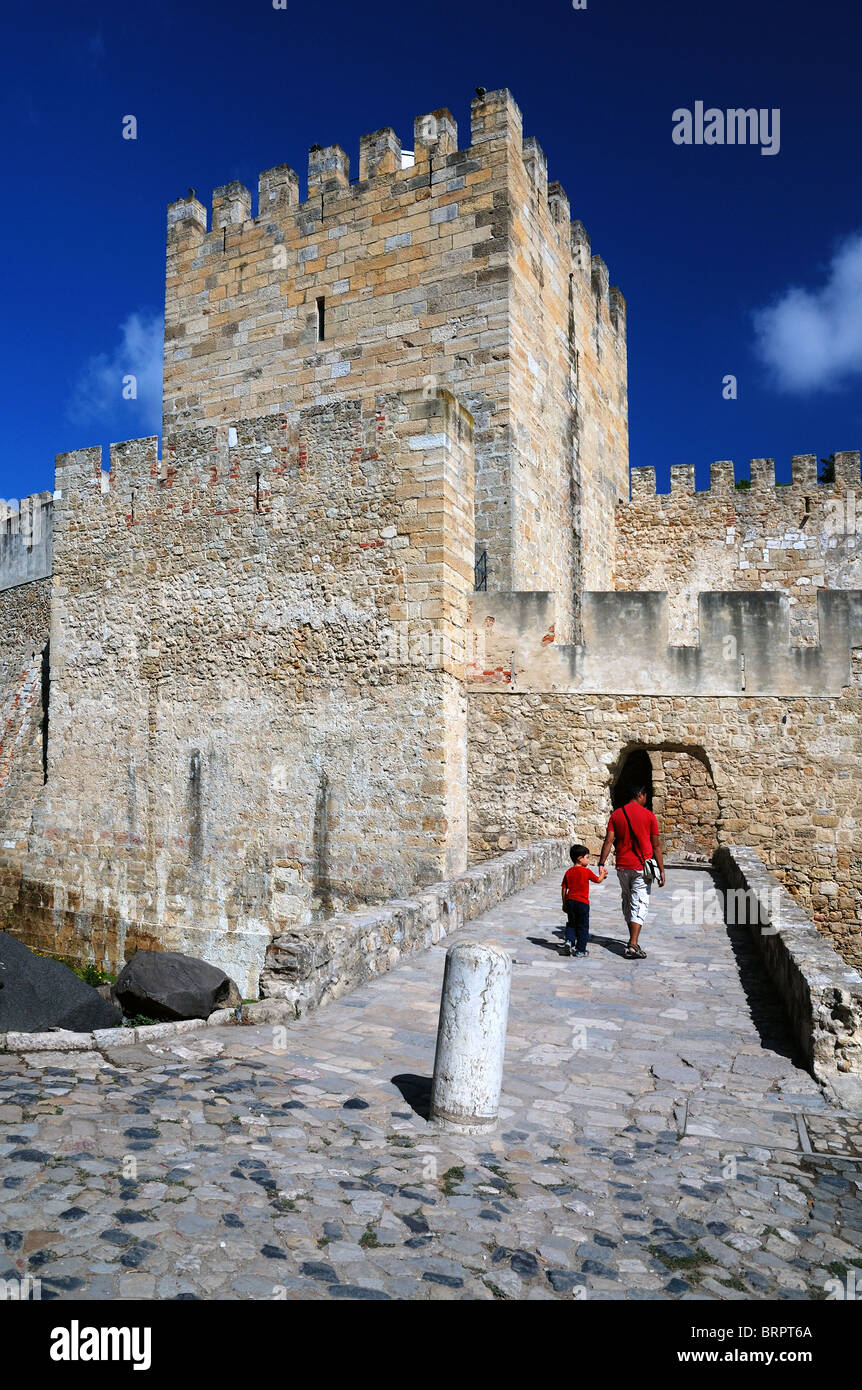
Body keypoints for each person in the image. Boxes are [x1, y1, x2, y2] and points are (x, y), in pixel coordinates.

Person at [598, 785, 665, 960]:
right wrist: (662, 870)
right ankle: (633, 945)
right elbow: (656, 845)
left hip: (622, 865)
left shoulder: (616, 815)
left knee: (628, 900)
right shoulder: (649, 816)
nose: (646, 799)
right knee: (640, 902)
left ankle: (632, 939)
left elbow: (609, 840)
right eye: (646, 795)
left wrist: (601, 862)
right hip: (641, 866)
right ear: (640, 794)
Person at [561, 844, 607, 958]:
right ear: (580, 859)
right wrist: (603, 874)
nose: (588, 860)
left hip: (570, 901)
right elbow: (598, 880)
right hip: (582, 903)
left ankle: (569, 941)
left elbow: (564, 888)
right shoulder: (586, 872)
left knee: (571, 924)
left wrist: (564, 903)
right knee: (583, 926)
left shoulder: (569, 871)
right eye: (587, 857)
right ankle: (580, 950)